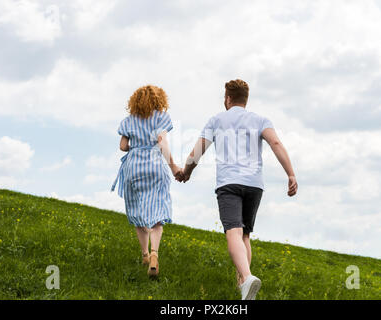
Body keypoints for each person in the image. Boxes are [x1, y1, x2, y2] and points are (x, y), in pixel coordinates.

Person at [177, 79, 298, 299]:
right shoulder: (261, 120)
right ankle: (243, 285)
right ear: (246, 99)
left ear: (228, 98)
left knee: (233, 231)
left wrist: (187, 172)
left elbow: (197, 152)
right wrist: (290, 174)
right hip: (254, 184)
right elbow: (276, 144)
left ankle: (247, 277)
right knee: (245, 235)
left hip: (229, 183)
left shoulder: (216, 120)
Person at [112, 85, 183, 278]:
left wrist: (136, 147)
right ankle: (154, 253)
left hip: (134, 167)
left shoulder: (128, 121)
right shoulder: (161, 117)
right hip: (155, 165)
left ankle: (144, 254)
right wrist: (174, 167)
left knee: (138, 210)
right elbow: (162, 141)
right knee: (157, 211)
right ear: (159, 100)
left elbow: (123, 146)